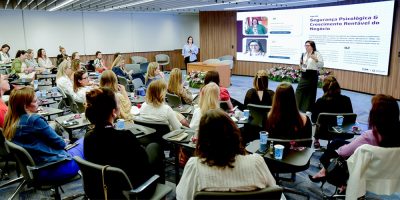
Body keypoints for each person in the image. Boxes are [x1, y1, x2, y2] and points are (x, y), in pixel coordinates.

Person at [176, 109, 276, 200]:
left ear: (202, 139)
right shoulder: (256, 162)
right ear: (234, 133)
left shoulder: (194, 167)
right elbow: (274, 193)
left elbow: (182, 197)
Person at [309, 94, 400, 192]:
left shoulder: (369, 135)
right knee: (337, 142)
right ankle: (323, 172)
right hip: (384, 169)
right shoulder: (396, 133)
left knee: (334, 150)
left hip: (363, 169)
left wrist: (340, 150)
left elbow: (343, 152)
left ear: (375, 115)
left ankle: (336, 179)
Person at [84, 88, 164, 197]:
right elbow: (144, 167)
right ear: (114, 112)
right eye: (118, 103)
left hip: (101, 191)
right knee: (154, 147)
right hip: (133, 192)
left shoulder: (88, 137)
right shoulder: (125, 137)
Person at [3, 87, 84, 182]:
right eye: (35, 101)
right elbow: (61, 144)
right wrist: (63, 141)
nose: (38, 103)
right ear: (25, 106)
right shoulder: (34, 120)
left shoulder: (11, 121)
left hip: (38, 169)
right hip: (55, 168)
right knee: (87, 141)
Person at [266, 82, 312, 150]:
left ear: (276, 98)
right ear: (293, 97)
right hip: (296, 158)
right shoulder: (304, 119)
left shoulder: (268, 117)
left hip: (272, 156)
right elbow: (308, 144)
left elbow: (265, 140)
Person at [311, 75, 353, 148]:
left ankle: (316, 140)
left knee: (316, 123)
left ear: (324, 88)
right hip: (342, 132)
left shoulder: (320, 102)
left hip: (323, 132)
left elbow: (314, 119)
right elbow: (350, 118)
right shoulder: (346, 100)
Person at [295, 40, 324, 112]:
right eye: (305, 45)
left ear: (312, 46)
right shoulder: (304, 54)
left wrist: (315, 59)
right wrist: (300, 65)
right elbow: (302, 64)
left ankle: (307, 109)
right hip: (304, 73)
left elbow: (321, 65)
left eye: (308, 45)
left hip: (312, 74)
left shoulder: (317, 54)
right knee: (299, 90)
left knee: (310, 92)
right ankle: (296, 107)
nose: (306, 47)